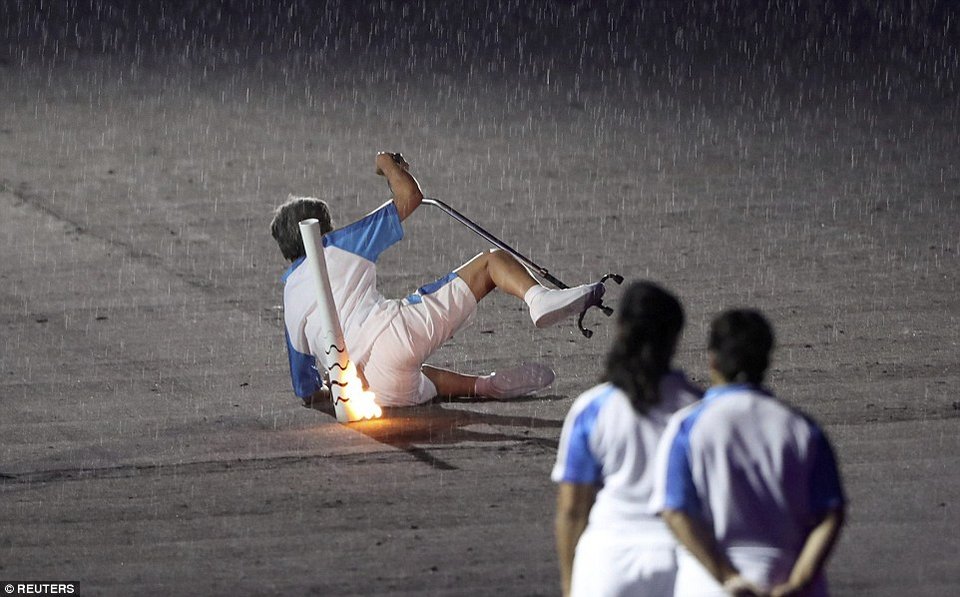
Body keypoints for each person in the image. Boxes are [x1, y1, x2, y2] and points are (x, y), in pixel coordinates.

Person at [270, 151, 605, 408]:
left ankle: (482, 386)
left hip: (373, 391)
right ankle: (538, 299)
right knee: (490, 263)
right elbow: (410, 196)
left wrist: (341, 387)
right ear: (324, 229)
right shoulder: (337, 244)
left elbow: (307, 391)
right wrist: (387, 164)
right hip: (394, 334)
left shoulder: (289, 300)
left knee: (412, 373)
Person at [653, 309, 846, 597]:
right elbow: (830, 515)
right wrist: (797, 582)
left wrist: (728, 577)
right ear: (766, 360)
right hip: (786, 578)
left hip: (709, 586)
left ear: (712, 360)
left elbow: (676, 513)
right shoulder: (801, 428)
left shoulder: (687, 426)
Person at [552, 281, 703, 597]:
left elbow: (572, 510)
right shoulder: (699, 409)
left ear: (621, 330)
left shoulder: (593, 408)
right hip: (679, 561)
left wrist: (569, 585)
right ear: (675, 338)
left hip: (608, 562)